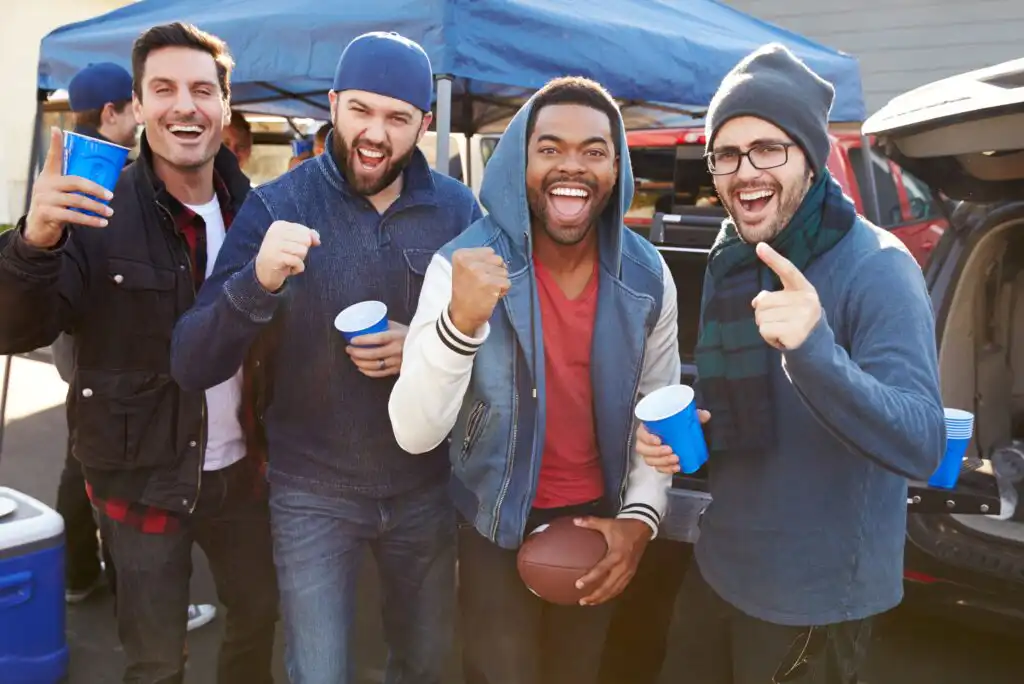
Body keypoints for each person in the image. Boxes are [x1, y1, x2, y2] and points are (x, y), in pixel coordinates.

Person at [169, 31, 482, 684]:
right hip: (311, 492)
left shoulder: (457, 211)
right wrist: (257, 280)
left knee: (426, 666)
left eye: (398, 118)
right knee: (318, 672)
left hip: (426, 489)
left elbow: (502, 348)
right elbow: (192, 361)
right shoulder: (277, 205)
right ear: (333, 105)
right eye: (361, 109)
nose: (376, 132)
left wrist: (426, 346)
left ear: (424, 124)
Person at [636, 44, 945, 684]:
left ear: (809, 154)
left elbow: (921, 444)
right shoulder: (733, 260)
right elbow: (757, 417)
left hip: (813, 598)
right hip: (720, 566)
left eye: (769, 148)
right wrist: (692, 433)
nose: (746, 172)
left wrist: (813, 351)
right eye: (727, 153)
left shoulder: (879, 268)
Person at [0, 22, 279, 683]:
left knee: (258, 618)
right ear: (140, 104)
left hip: (242, 478)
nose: (185, 104)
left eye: (201, 89)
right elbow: (16, 331)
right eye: (164, 88)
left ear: (224, 104)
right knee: (155, 661)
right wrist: (34, 241)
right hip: (139, 482)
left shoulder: (257, 211)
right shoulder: (94, 207)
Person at [389, 76, 679, 684]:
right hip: (493, 517)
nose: (571, 166)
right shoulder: (461, 264)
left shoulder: (648, 277)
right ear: (520, 160)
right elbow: (414, 434)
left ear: (617, 166)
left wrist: (638, 520)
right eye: (549, 148)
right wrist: (460, 323)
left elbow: (658, 404)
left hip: (597, 517)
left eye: (594, 151)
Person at [54, 60, 136, 605]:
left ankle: (78, 573)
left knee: (80, 457)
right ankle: (115, 584)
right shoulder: (104, 176)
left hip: (73, 345)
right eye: (135, 106)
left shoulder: (62, 168)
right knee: (101, 468)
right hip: (98, 346)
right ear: (111, 113)